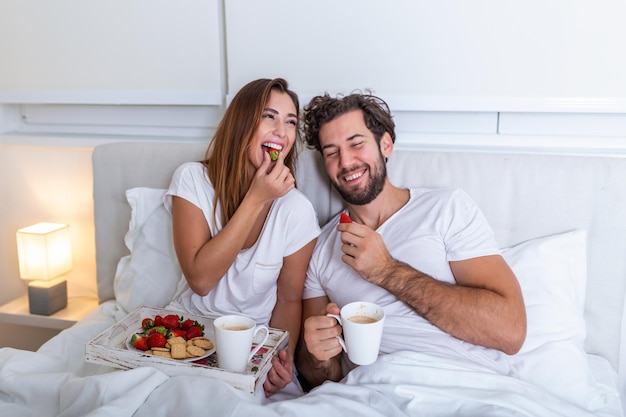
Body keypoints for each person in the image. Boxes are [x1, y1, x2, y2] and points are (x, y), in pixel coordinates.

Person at [295, 92, 527, 389]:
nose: (346, 162)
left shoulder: (446, 209)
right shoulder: (320, 251)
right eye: (331, 152)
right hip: (368, 395)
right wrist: (317, 356)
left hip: (463, 386)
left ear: (386, 144)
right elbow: (318, 376)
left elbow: (510, 330)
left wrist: (388, 271)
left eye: (356, 144)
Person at [164, 78, 320, 397]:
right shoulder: (193, 180)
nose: (282, 130)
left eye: (291, 122)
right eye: (269, 117)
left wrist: (278, 360)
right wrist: (256, 198)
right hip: (186, 333)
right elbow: (201, 279)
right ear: (242, 123)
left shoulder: (296, 210)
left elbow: (288, 299)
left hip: (251, 348)